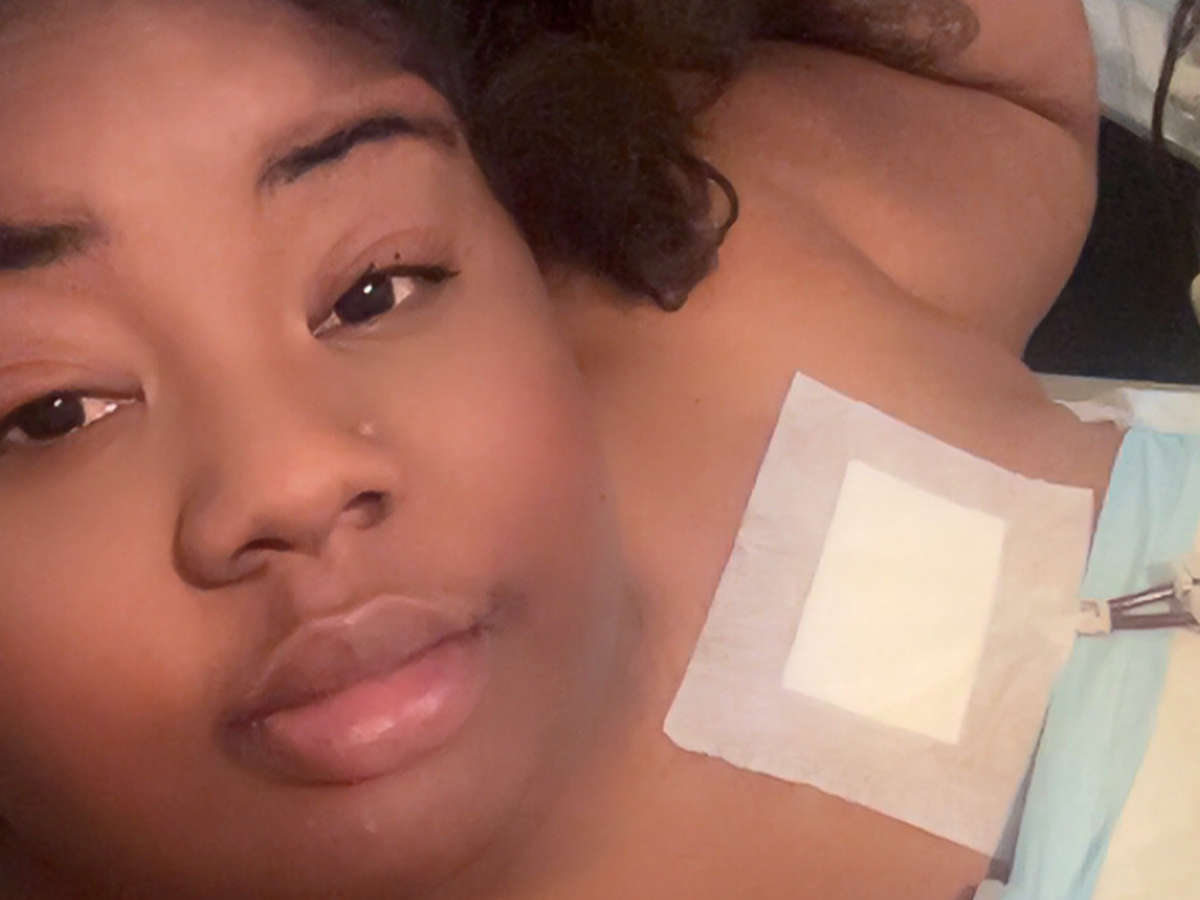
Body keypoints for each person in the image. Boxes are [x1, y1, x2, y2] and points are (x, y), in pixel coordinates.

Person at [0, 1, 1123, 898]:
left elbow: (1007, 89)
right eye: (52, 413)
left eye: (374, 290)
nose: (295, 478)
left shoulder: (740, 268)